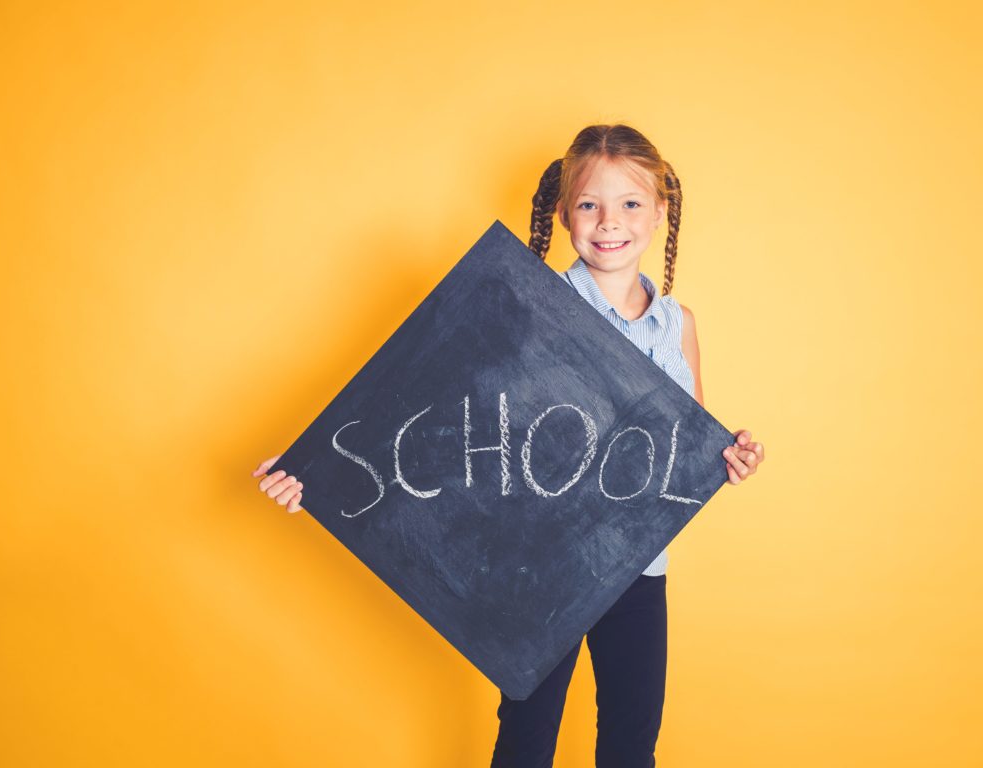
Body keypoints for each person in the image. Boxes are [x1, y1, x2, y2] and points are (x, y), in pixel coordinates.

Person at [251, 123, 765, 768]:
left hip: (638, 569)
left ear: (661, 210)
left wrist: (731, 459)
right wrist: (317, 471)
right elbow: (437, 424)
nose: (610, 222)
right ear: (563, 212)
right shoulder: (522, 309)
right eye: (589, 204)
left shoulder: (679, 325)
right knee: (526, 744)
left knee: (632, 747)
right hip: (536, 572)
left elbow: (682, 444)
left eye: (631, 203)